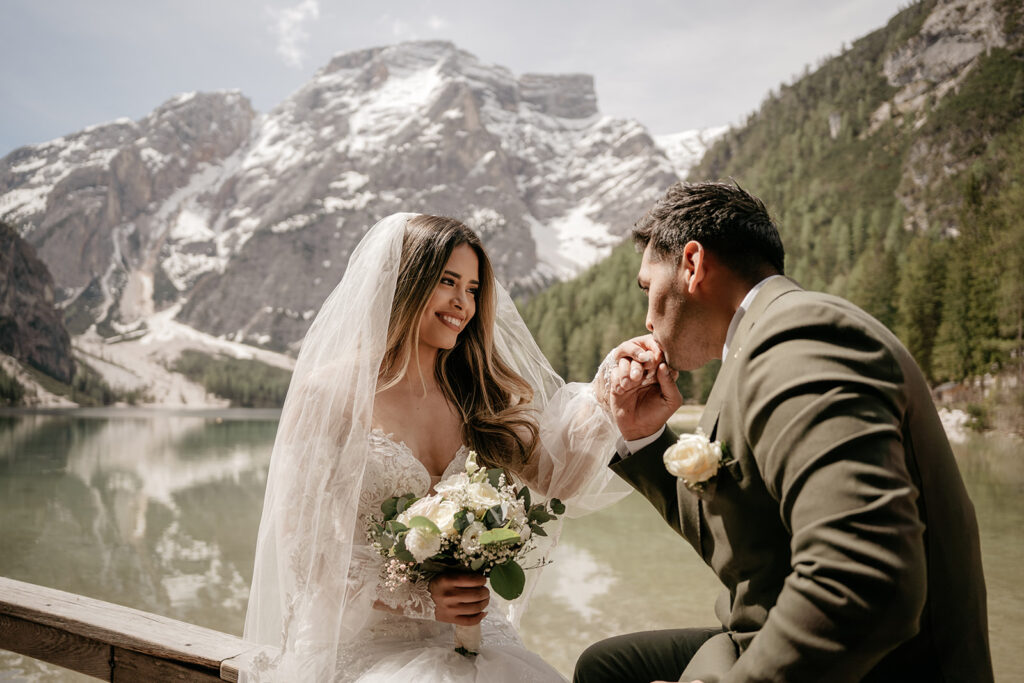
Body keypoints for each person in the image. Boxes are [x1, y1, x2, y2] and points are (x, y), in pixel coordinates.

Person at [574, 182, 993, 682]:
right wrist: (642, 437)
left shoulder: (799, 338)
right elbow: (745, 540)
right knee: (608, 667)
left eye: (648, 286)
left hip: (884, 669)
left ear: (692, 264)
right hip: (758, 627)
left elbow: (865, 581)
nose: (646, 316)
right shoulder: (762, 342)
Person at [241, 213, 630, 682]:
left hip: (473, 640)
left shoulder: (481, 394)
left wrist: (611, 398)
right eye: (448, 282)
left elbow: (559, 481)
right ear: (406, 282)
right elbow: (304, 554)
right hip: (365, 644)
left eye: (471, 288)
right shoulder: (330, 393)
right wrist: (425, 596)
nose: (462, 303)